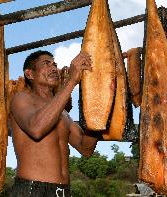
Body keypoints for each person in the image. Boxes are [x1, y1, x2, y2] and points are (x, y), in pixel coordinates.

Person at [9, 50, 100, 197]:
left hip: (63, 192)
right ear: (30, 74)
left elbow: (86, 149)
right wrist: (71, 81)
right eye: (46, 63)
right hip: (32, 189)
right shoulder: (21, 99)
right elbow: (36, 128)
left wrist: (101, 109)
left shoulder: (63, 114)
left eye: (55, 64)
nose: (54, 68)